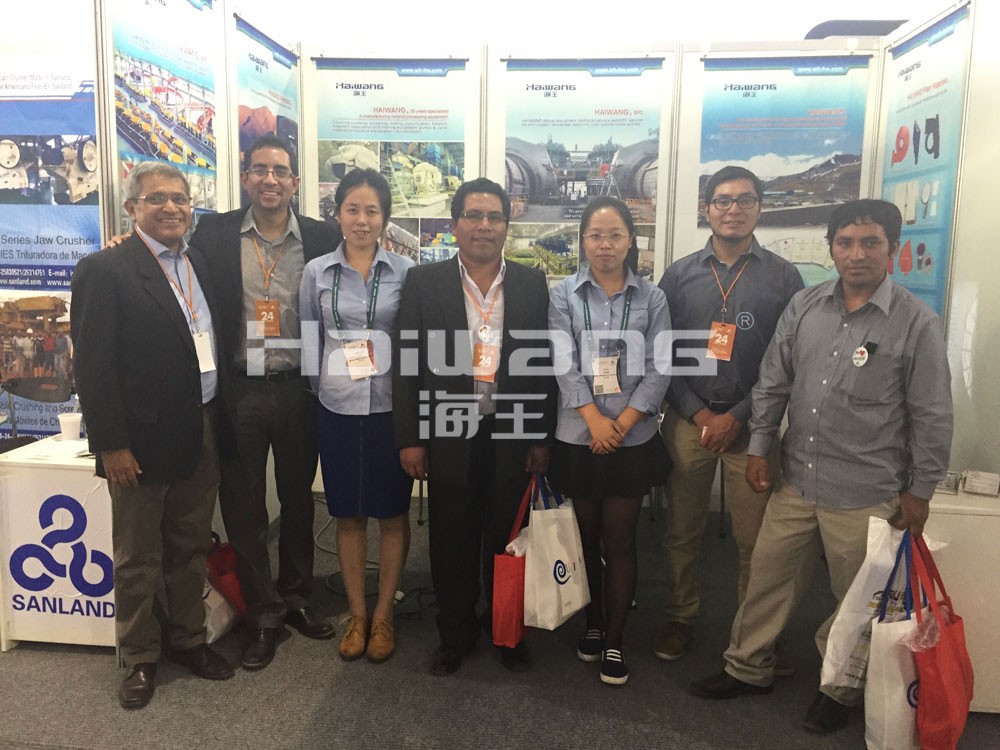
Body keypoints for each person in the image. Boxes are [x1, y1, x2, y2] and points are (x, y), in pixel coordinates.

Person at [689, 199, 953, 735]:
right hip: (796, 480)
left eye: (870, 243)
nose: (857, 254)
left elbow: (932, 414)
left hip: (867, 491)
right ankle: (747, 667)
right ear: (831, 248)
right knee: (767, 580)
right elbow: (773, 381)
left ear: (893, 249)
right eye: (846, 243)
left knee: (855, 601)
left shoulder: (915, 323)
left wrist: (920, 490)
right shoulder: (806, 305)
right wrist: (760, 446)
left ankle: (838, 687)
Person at [71, 161, 234, 710]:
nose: (171, 207)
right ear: (132, 208)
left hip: (200, 425)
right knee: (137, 555)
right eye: (157, 198)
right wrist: (110, 444)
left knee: (190, 544)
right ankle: (139, 657)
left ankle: (189, 640)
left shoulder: (197, 261)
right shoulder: (105, 269)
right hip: (138, 442)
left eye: (180, 199)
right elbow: (92, 367)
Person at [189, 135, 343, 670]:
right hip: (240, 389)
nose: (270, 179)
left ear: (295, 181)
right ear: (246, 177)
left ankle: (296, 595)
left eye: (280, 171)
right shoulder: (213, 233)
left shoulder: (323, 237)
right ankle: (263, 610)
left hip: (299, 387)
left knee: (299, 496)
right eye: (260, 169)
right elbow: (166, 261)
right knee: (244, 502)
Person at [393, 177, 554, 676]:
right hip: (448, 427)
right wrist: (411, 438)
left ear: (506, 225)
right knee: (452, 537)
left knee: (507, 537)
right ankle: (455, 632)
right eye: (473, 216)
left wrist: (541, 434)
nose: (484, 226)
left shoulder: (530, 283)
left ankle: (505, 630)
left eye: (494, 217)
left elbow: (544, 364)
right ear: (455, 224)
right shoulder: (425, 282)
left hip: (512, 427)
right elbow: (407, 364)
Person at [654, 166, 804, 662]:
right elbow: (661, 355)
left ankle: (754, 631)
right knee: (682, 531)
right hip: (687, 421)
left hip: (753, 426)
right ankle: (681, 616)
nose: (733, 209)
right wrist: (698, 414)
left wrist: (738, 415)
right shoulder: (679, 275)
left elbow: (787, 362)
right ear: (707, 209)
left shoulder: (784, 277)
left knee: (756, 540)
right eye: (723, 200)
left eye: (745, 200)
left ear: (760, 208)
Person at [548, 196, 671, 685]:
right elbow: (561, 360)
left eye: (615, 235)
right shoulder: (563, 294)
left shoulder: (652, 298)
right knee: (585, 538)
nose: (605, 245)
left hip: (631, 438)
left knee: (620, 540)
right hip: (579, 434)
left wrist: (621, 424)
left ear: (630, 240)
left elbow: (660, 366)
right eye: (596, 235)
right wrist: (594, 420)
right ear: (583, 241)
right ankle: (593, 624)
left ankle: (615, 640)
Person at [300, 169, 413, 663]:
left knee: (391, 512)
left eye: (372, 211)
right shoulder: (316, 272)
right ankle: (357, 614)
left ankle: (384, 614)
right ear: (338, 213)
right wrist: (321, 388)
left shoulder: (405, 272)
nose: (362, 220)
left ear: (384, 217)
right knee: (347, 514)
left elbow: (412, 342)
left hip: (390, 407)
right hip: (337, 408)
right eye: (353, 209)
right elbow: (310, 339)